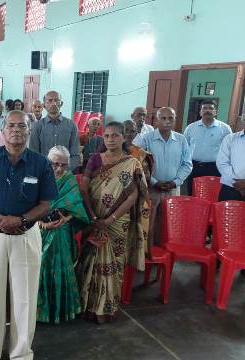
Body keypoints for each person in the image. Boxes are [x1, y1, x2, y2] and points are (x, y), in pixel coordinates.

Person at [0, 110, 56, 360]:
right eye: (11, 125)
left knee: (24, 298)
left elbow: (47, 203)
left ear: (29, 131)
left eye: (22, 126)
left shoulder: (41, 163)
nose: (16, 129)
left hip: (26, 237)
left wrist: (22, 220)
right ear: (3, 129)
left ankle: (21, 353)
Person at [78, 121, 149, 324]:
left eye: (115, 135)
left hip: (118, 221)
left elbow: (133, 196)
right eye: (107, 136)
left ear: (123, 137)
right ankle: (88, 306)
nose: (110, 139)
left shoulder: (132, 162)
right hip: (93, 217)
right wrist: (93, 217)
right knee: (90, 260)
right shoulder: (94, 160)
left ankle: (107, 307)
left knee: (115, 264)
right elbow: (84, 189)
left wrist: (110, 219)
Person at [37, 145, 89, 324]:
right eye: (55, 164)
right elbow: (27, 210)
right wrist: (42, 224)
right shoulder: (38, 179)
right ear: (47, 162)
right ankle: (39, 312)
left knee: (62, 268)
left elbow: (76, 206)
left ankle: (62, 310)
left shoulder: (70, 180)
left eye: (64, 165)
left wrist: (66, 219)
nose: (59, 169)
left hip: (62, 232)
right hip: (40, 232)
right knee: (41, 267)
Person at [136, 107, 192, 246]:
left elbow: (187, 164)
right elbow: (140, 164)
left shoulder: (181, 140)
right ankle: (148, 258)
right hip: (151, 189)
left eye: (170, 118)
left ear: (175, 120)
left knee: (169, 225)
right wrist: (154, 181)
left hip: (173, 189)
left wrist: (176, 181)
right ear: (156, 120)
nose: (167, 121)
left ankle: (164, 256)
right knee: (149, 223)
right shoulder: (146, 139)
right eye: (163, 118)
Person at [184, 101, 232, 195]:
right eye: (204, 108)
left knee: (212, 194)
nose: (207, 110)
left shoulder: (225, 129)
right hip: (194, 167)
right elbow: (184, 149)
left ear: (215, 112)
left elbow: (229, 150)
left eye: (211, 108)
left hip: (215, 168)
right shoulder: (190, 128)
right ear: (200, 112)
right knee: (193, 194)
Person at [29, 91, 81, 170]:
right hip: (44, 172)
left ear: (61, 103)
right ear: (44, 105)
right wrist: (43, 170)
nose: (54, 103)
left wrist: (64, 169)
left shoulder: (71, 125)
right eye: (50, 101)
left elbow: (75, 154)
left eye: (57, 100)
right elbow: (33, 153)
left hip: (65, 173)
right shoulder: (38, 126)